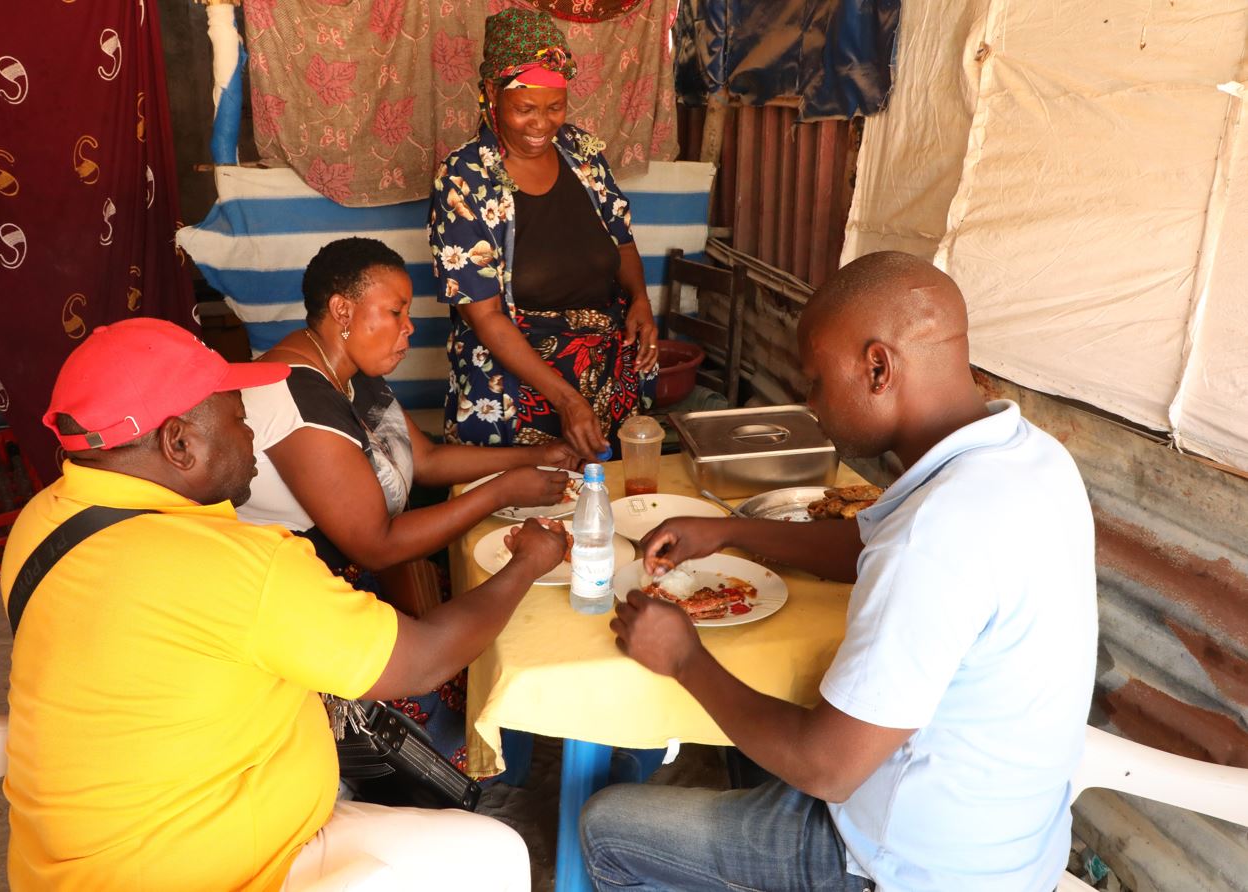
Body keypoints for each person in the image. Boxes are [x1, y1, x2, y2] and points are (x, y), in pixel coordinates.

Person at [581, 252, 1099, 891]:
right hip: (1010, 845)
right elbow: (865, 545)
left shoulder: (938, 535)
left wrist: (684, 656)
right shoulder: (1030, 458)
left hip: (907, 868)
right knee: (748, 738)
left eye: (817, 381)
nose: (809, 402)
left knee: (605, 826)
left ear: (878, 368)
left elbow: (826, 768)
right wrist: (730, 530)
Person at [1, 318, 566, 889]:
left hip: (67, 862)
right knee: (495, 852)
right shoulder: (240, 566)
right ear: (178, 442)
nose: (254, 438)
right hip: (218, 870)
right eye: (240, 418)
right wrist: (527, 564)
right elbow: (426, 660)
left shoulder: (42, 523)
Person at [238, 236, 577, 773]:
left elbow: (428, 458)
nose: (409, 327)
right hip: (302, 610)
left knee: (491, 624)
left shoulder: (349, 375)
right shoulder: (298, 401)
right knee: (452, 707)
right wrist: (502, 490)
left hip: (353, 581)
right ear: (342, 311)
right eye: (395, 312)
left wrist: (535, 457)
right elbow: (375, 545)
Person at [428, 8, 658, 460]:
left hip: (606, 379)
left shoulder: (582, 155)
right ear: (492, 94)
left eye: (555, 107)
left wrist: (641, 300)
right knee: (517, 521)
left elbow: (621, 241)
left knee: (607, 508)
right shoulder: (464, 179)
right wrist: (566, 399)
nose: (542, 124)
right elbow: (485, 315)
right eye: (525, 109)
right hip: (515, 393)